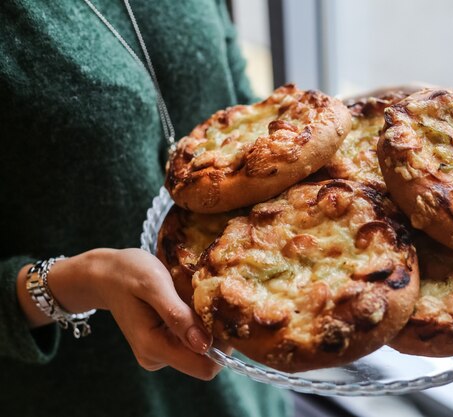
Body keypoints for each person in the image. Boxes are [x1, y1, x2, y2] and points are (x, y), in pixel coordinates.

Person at [0, 1, 291, 416]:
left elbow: (240, 106)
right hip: (97, 393)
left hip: (254, 377)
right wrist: (81, 282)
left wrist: (355, 126)